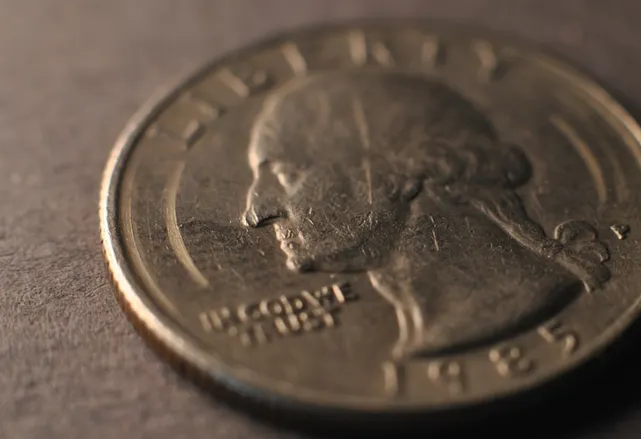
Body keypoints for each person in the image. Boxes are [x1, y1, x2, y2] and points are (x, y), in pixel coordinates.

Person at [243, 70, 609, 359]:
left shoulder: (502, 309)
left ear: (400, 170)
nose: (258, 211)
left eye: (287, 175)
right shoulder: (439, 327)